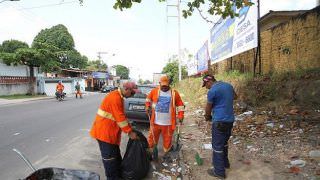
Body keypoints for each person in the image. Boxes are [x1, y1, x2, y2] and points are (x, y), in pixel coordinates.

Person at [90, 82, 139, 180]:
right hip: (104, 134)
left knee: (116, 157)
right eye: (133, 93)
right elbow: (120, 118)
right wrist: (130, 132)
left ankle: (118, 176)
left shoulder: (119, 97)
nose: (133, 95)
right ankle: (112, 178)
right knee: (110, 159)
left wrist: (130, 127)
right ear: (127, 89)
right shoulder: (115, 97)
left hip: (110, 133)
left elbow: (121, 116)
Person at [202, 74, 237, 179]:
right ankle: (225, 164)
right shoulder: (228, 86)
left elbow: (208, 108)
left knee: (217, 146)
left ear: (209, 81)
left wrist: (207, 117)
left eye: (206, 84)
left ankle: (219, 172)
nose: (206, 87)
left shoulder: (212, 91)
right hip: (230, 120)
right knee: (224, 143)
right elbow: (235, 97)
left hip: (219, 121)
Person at [145, 75, 185, 158]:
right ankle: (150, 153)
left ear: (169, 84)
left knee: (167, 140)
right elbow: (148, 100)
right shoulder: (154, 91)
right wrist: (147, 107)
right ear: (159, 84)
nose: (164, 87)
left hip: (168, 123)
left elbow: (180, 105)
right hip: (155, 121)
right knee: (152, 139)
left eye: (166, 85)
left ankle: (166, 154)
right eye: (162, 85)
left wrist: (181, 116)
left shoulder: (174, 93)